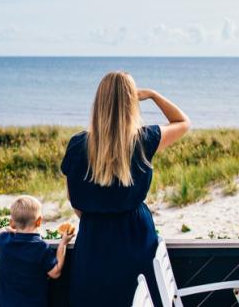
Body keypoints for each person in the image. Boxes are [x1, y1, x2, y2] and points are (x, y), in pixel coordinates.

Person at [61, 71, 191, 307]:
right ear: (131, 102)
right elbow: (183, 122)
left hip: (95, 237)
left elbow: (75, 201)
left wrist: (97, 214)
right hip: (135, 234)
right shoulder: (144, 140)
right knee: (139, 299)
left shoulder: (78, 144)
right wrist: (152, 95)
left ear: (98, 102)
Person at [0, 195, 74, 307]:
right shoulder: (41, 248)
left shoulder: (5, 241)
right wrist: (63, 244)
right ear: (39, 221)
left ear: (12, 222)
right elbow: (55, 273)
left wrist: (10, 229)